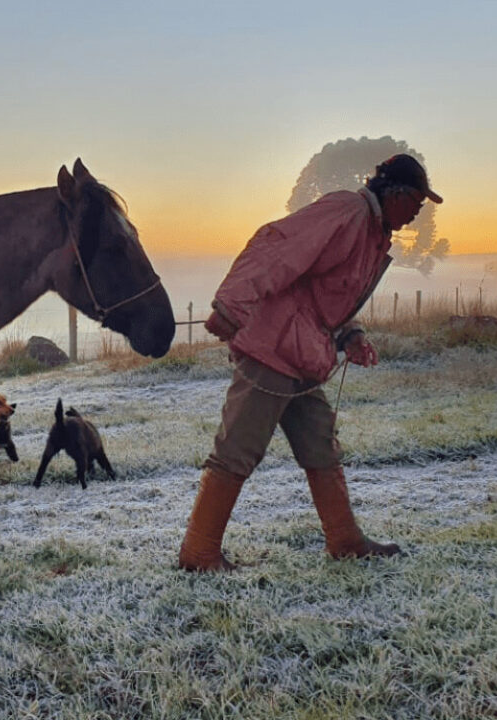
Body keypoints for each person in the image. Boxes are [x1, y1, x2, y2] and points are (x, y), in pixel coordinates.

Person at [178, 154, 442, 571]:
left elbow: (325, 295)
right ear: (396, 194)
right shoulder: (347, 212)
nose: (416, 213)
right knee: (236, 450)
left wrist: (350, 334)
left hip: (301, 355)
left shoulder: (371, 231)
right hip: (273, 349)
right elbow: (276, 248)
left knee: (321, 446)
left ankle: (344, 540)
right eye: (417, 203)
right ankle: (198, 552)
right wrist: (231, 305)